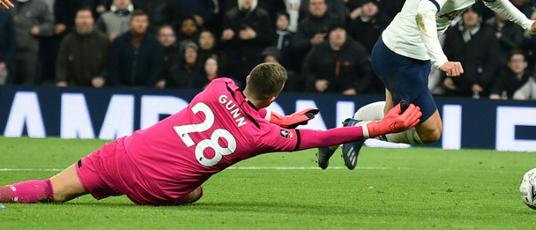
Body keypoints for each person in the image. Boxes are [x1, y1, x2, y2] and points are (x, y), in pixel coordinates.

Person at [0, 63, 422, 205]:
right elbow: (321, 139)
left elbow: (237, 108)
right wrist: (381, 126)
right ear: (274, 95)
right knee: (197, 193)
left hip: (121, 157)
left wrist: (276, 119)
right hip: (157, 191)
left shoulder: (218, 85)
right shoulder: (263, 137)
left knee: (51, 191)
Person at [317, 0, 536, 170]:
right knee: (431, 131)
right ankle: (353, 133)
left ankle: (346, 132)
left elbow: (495, 0)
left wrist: (527, 23)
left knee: (391, 115)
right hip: (401, 55)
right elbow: (425, 12)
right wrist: (440, 60)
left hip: (406, 53)